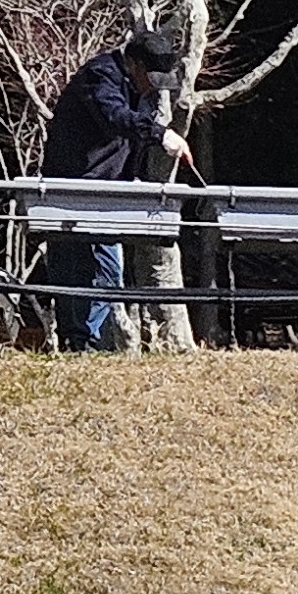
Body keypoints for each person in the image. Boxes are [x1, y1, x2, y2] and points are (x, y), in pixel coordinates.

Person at [34, 25, 192, 352]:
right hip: (70, 192)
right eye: (151, 77)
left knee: (109, 269)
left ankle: (93, 346)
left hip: (110, 194)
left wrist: (132, 179)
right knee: (75, 271)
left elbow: (129, 143)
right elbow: (115, 118)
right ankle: (77, 346)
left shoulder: (144, 90)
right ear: (133, 63)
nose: (153, 88)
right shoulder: (99, 76)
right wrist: (162, 134)